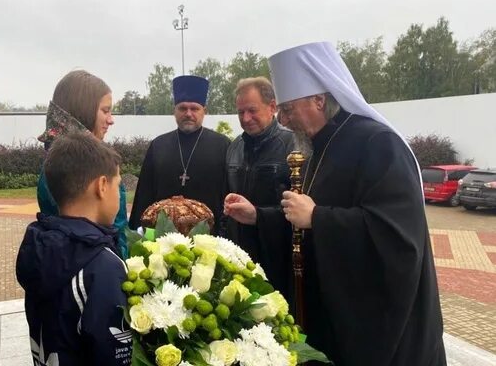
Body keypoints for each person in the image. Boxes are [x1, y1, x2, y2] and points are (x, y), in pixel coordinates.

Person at [227, 42, 446, 365]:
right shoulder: (319, 146)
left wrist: (319, 218)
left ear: (319, 99)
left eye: (288, 109)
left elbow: (398, 237)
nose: (284, 121)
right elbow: (304, 221)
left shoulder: (378, 143)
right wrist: (259, 217)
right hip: (332, 314)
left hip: (378, 331)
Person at [16, 132, 132, 365]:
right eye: (118, 185)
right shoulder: (103, 266)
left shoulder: (40, 250)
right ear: (101, 186)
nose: (121, 196)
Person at [36, 70, 128, 258]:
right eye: (105, 110)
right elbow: (90, 236)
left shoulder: (70, 158)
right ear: (84, 110)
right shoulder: (73, 165)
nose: (111, 120)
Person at [223, 77, 296, 303]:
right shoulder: (234, 147)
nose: (246, 118)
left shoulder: (293, 145)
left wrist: (258, 216)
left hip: (279, 258)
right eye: (240, 112)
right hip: (241, 257)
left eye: (252, 110)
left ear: (272, 107)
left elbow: (301, 208)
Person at [129, 75, 230, 233]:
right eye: (183, 108)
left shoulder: (222, 145)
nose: (188, 113)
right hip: (161, 241)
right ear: (174, 111)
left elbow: (228, 196)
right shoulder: (158, 146)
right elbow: (144, 196)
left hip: (210, 238)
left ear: (205, 111)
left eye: (194, 108)